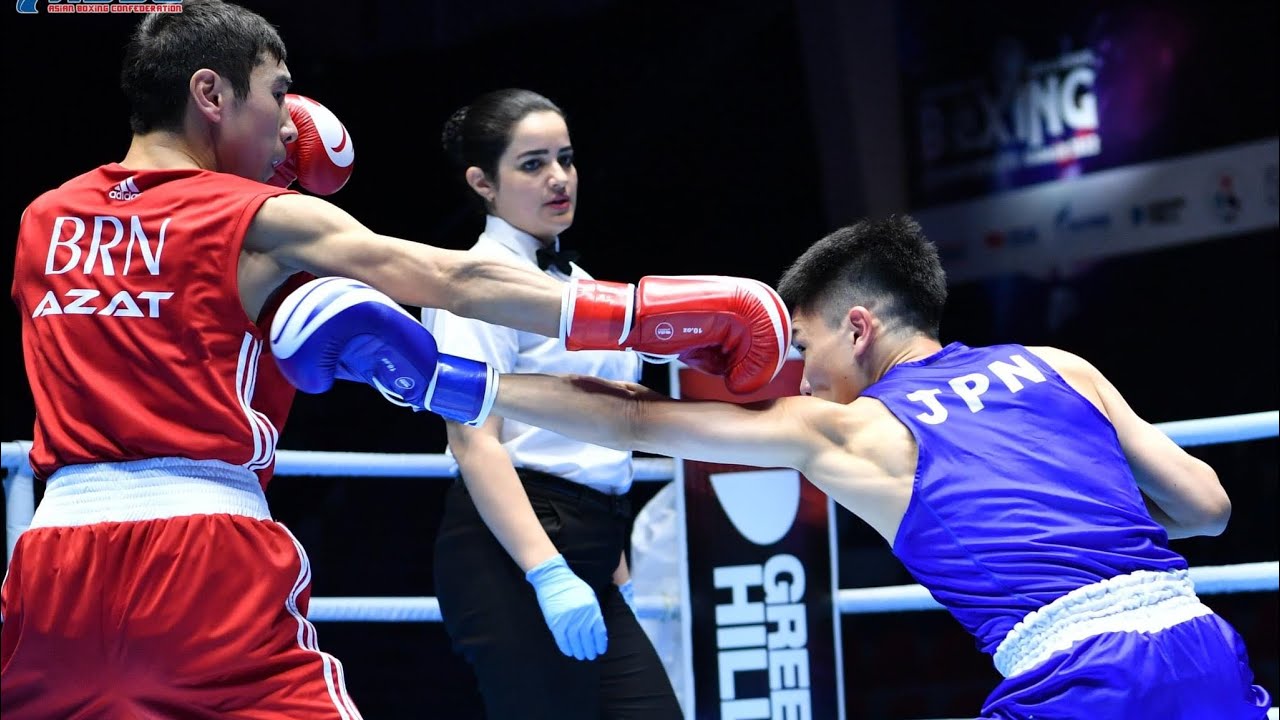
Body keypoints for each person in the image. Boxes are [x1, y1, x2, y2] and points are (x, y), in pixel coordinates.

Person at [1, 1, 788, 717]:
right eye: (277, 94)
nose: (288, 125)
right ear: (211, 94)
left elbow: (162, 309)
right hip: (202, 549)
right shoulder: (258, 216)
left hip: (50, 565)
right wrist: (646, 316)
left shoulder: (43, 220)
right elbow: (453, 278)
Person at [401, 215, 1272, 719]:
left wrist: (460, 380)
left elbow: (635, 416)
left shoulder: (851, 432)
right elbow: (1208, 506)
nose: (805, 374)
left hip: (1087, 685)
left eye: (808, 346)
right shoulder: (1058, 364)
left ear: (859, 327)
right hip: (1214, 653)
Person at [420, 88, 682, 719]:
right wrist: (548, 573)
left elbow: (600, 423)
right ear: (483, 182)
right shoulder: (472, 285)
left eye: (565, 158)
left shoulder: (582, 287)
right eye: (533, 164)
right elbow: (474, 442)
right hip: (515, 551)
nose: (559, 178)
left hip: (590, 544)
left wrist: (609, 560)